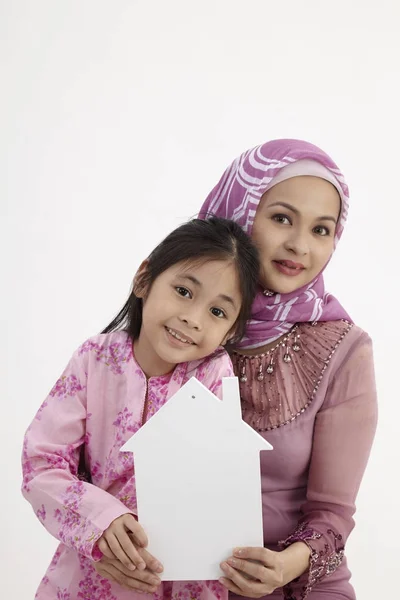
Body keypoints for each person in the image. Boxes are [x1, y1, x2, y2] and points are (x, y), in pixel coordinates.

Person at [94, 139, 377, 600]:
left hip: (296, 587)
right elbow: (93, 468)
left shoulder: (344, 349)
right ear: (238, 211)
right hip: (164, 581)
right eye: (282, 218)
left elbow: (331, 513)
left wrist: (286, 565)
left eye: (322, 230)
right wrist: (99, 537)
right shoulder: (174, 327)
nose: (299, 245)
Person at [21, 216, 260, 600]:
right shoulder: (94, 359)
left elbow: (217, 487)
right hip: (88, 570)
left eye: (218, 312)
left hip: (181, 580)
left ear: (230, 330)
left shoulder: (215, 375)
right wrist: (100, 521)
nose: (192, 318)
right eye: (184, 291)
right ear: (144, 278)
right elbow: (42, 463)